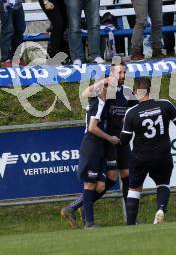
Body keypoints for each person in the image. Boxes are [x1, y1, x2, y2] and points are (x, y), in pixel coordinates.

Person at [61, 60, 137, 228]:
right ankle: (81, 206)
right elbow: (85, 94)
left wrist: (130, 125)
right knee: (109, 178)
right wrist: (103, 82)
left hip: (122, 140)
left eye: (124, 73)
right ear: (111, 75)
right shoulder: (105, 92)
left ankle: (131, 219)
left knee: (126, 174)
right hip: (108, 140)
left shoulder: (127, 92)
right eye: (119, 73)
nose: (123, 76)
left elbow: (133, 113)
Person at [120, 77, 176, 225]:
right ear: (151, 90)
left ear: (135, 92)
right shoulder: (164, 104)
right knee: (163, 183)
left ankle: (131, 224)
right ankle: (160, 209)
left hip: (140, 157)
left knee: (134, 189)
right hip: (162, 155)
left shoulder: (131, 112)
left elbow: (124, 140)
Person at [75, 81, 120, 229]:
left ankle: (80, 210)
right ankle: (89, 222)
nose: (112, 91)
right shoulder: (98, 103)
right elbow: (92, 128)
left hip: (99, 147)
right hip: (91, 146)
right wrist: (110, 138)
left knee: (101, 186)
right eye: (109, 88)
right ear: (102, 89)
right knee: (90, 184)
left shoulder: (100, 102)